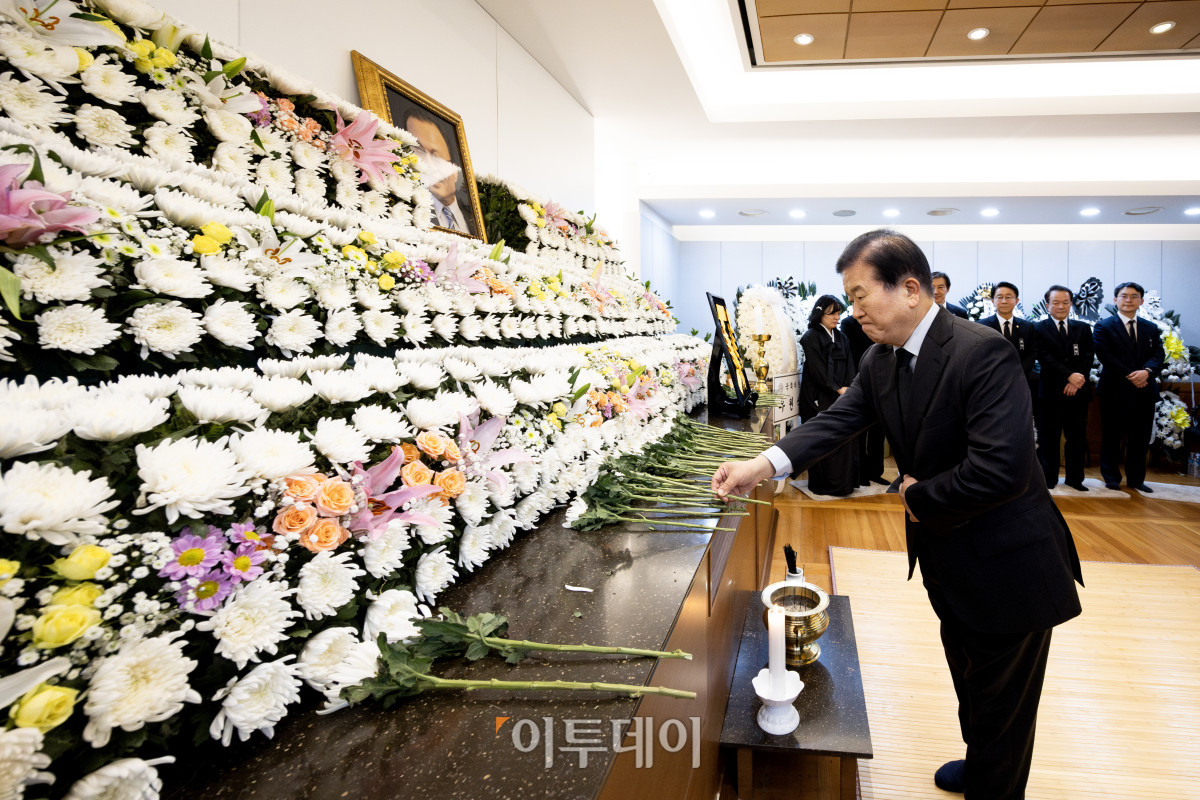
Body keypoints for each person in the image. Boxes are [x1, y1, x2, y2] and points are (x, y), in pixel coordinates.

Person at [712, 229, 1083, 800]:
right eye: (850, 300)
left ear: (910, 289)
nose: (854, 311)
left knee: (1004, 704)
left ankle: (996, 782)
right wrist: (759, 466)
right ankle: (982, 760)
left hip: (1010, 567)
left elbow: (1002, 469)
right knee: (970, 676)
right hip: (950, 557)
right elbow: (837, 422)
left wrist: (915, 495)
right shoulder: (883, 360)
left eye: (861, 297)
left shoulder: (980, 351)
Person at [1093, 282, 1165, 492]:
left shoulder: (1150, 328)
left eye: (1134, 296)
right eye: (1124, 296)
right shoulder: (1103, 326)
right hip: (1115, 390)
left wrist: (1147, 372)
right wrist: (1131, 375)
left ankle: (1136, 480)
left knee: (1140, 438)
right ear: (1115, 300)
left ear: (1141, 301)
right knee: (1112, 436)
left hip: (1144, 390)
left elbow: (1158, 355)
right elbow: (1105, 355)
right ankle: (1111, 477)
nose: (1129, 300)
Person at [1034, 286, 1094, 491]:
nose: (1061, 306)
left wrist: (1076, 380)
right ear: (1047, 304)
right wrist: (1068, 375)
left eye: (1065, 302)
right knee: (1049, 437)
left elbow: (1088, 356)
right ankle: (1048, 478)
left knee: (1076, 437)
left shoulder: (1083, 328)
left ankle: (1075, 479)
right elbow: (1044, 357)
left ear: (1071, 304)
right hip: (1050, 392)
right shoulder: (1039, 328)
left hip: (1078, 392)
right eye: (1056, 302)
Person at [798, 296, 859, 496]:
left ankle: (843, 485)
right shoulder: (810, 337)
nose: (836, 317)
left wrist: (848, 388)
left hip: (840, 395)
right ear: (820, 314)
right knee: (821, 439)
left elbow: (850, 364)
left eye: (838, 312)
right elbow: (817, 370)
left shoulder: (842, 337)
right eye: (831, 313)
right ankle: (822, 485)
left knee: (843, 439)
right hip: (817, 396)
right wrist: (836, 388)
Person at [402, 107, 478, 236]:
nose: (429, 166)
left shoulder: (476, 220)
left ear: (454, 171)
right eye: (418, 151)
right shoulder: (406, 214)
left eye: (436, 157)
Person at [840, 312, 888, 485]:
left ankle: (876, 472)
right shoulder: (848, 324)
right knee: (859, 430)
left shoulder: (882, 319)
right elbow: (849, 356)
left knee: (879, 431)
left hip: (882, 380)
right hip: (859, 380)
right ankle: (860, 473)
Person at [978, 282, 1038, 394]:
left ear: (1017, 301)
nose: (1004, 301)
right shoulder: (981, 326)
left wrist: (1018, 373)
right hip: (991, 383)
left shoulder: (1027, 327)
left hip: (1020, 382)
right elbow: (980, 355)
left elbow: (1031, 353)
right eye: (999, 297)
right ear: (992, 301)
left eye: (1008, 297)